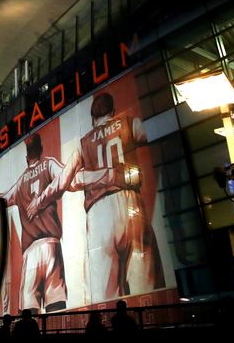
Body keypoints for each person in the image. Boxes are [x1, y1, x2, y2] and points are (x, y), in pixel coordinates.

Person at [51, 92, 165, 302]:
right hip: (131, 203)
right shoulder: (128, 123)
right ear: (112, 112)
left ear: (93, 119)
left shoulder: (84, 142)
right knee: (146, 288)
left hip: (99, 213)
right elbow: (159, 128)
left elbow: (64, 181)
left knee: (106, 295)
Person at [0, 132, 68, 312]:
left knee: (29, 310)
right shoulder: (49, 164)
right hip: (51, 244)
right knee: (56, 305)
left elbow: (4, 198)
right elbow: (65, 176)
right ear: (41, 150)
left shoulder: (21, 181)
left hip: (30, 252)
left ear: (26, 157)